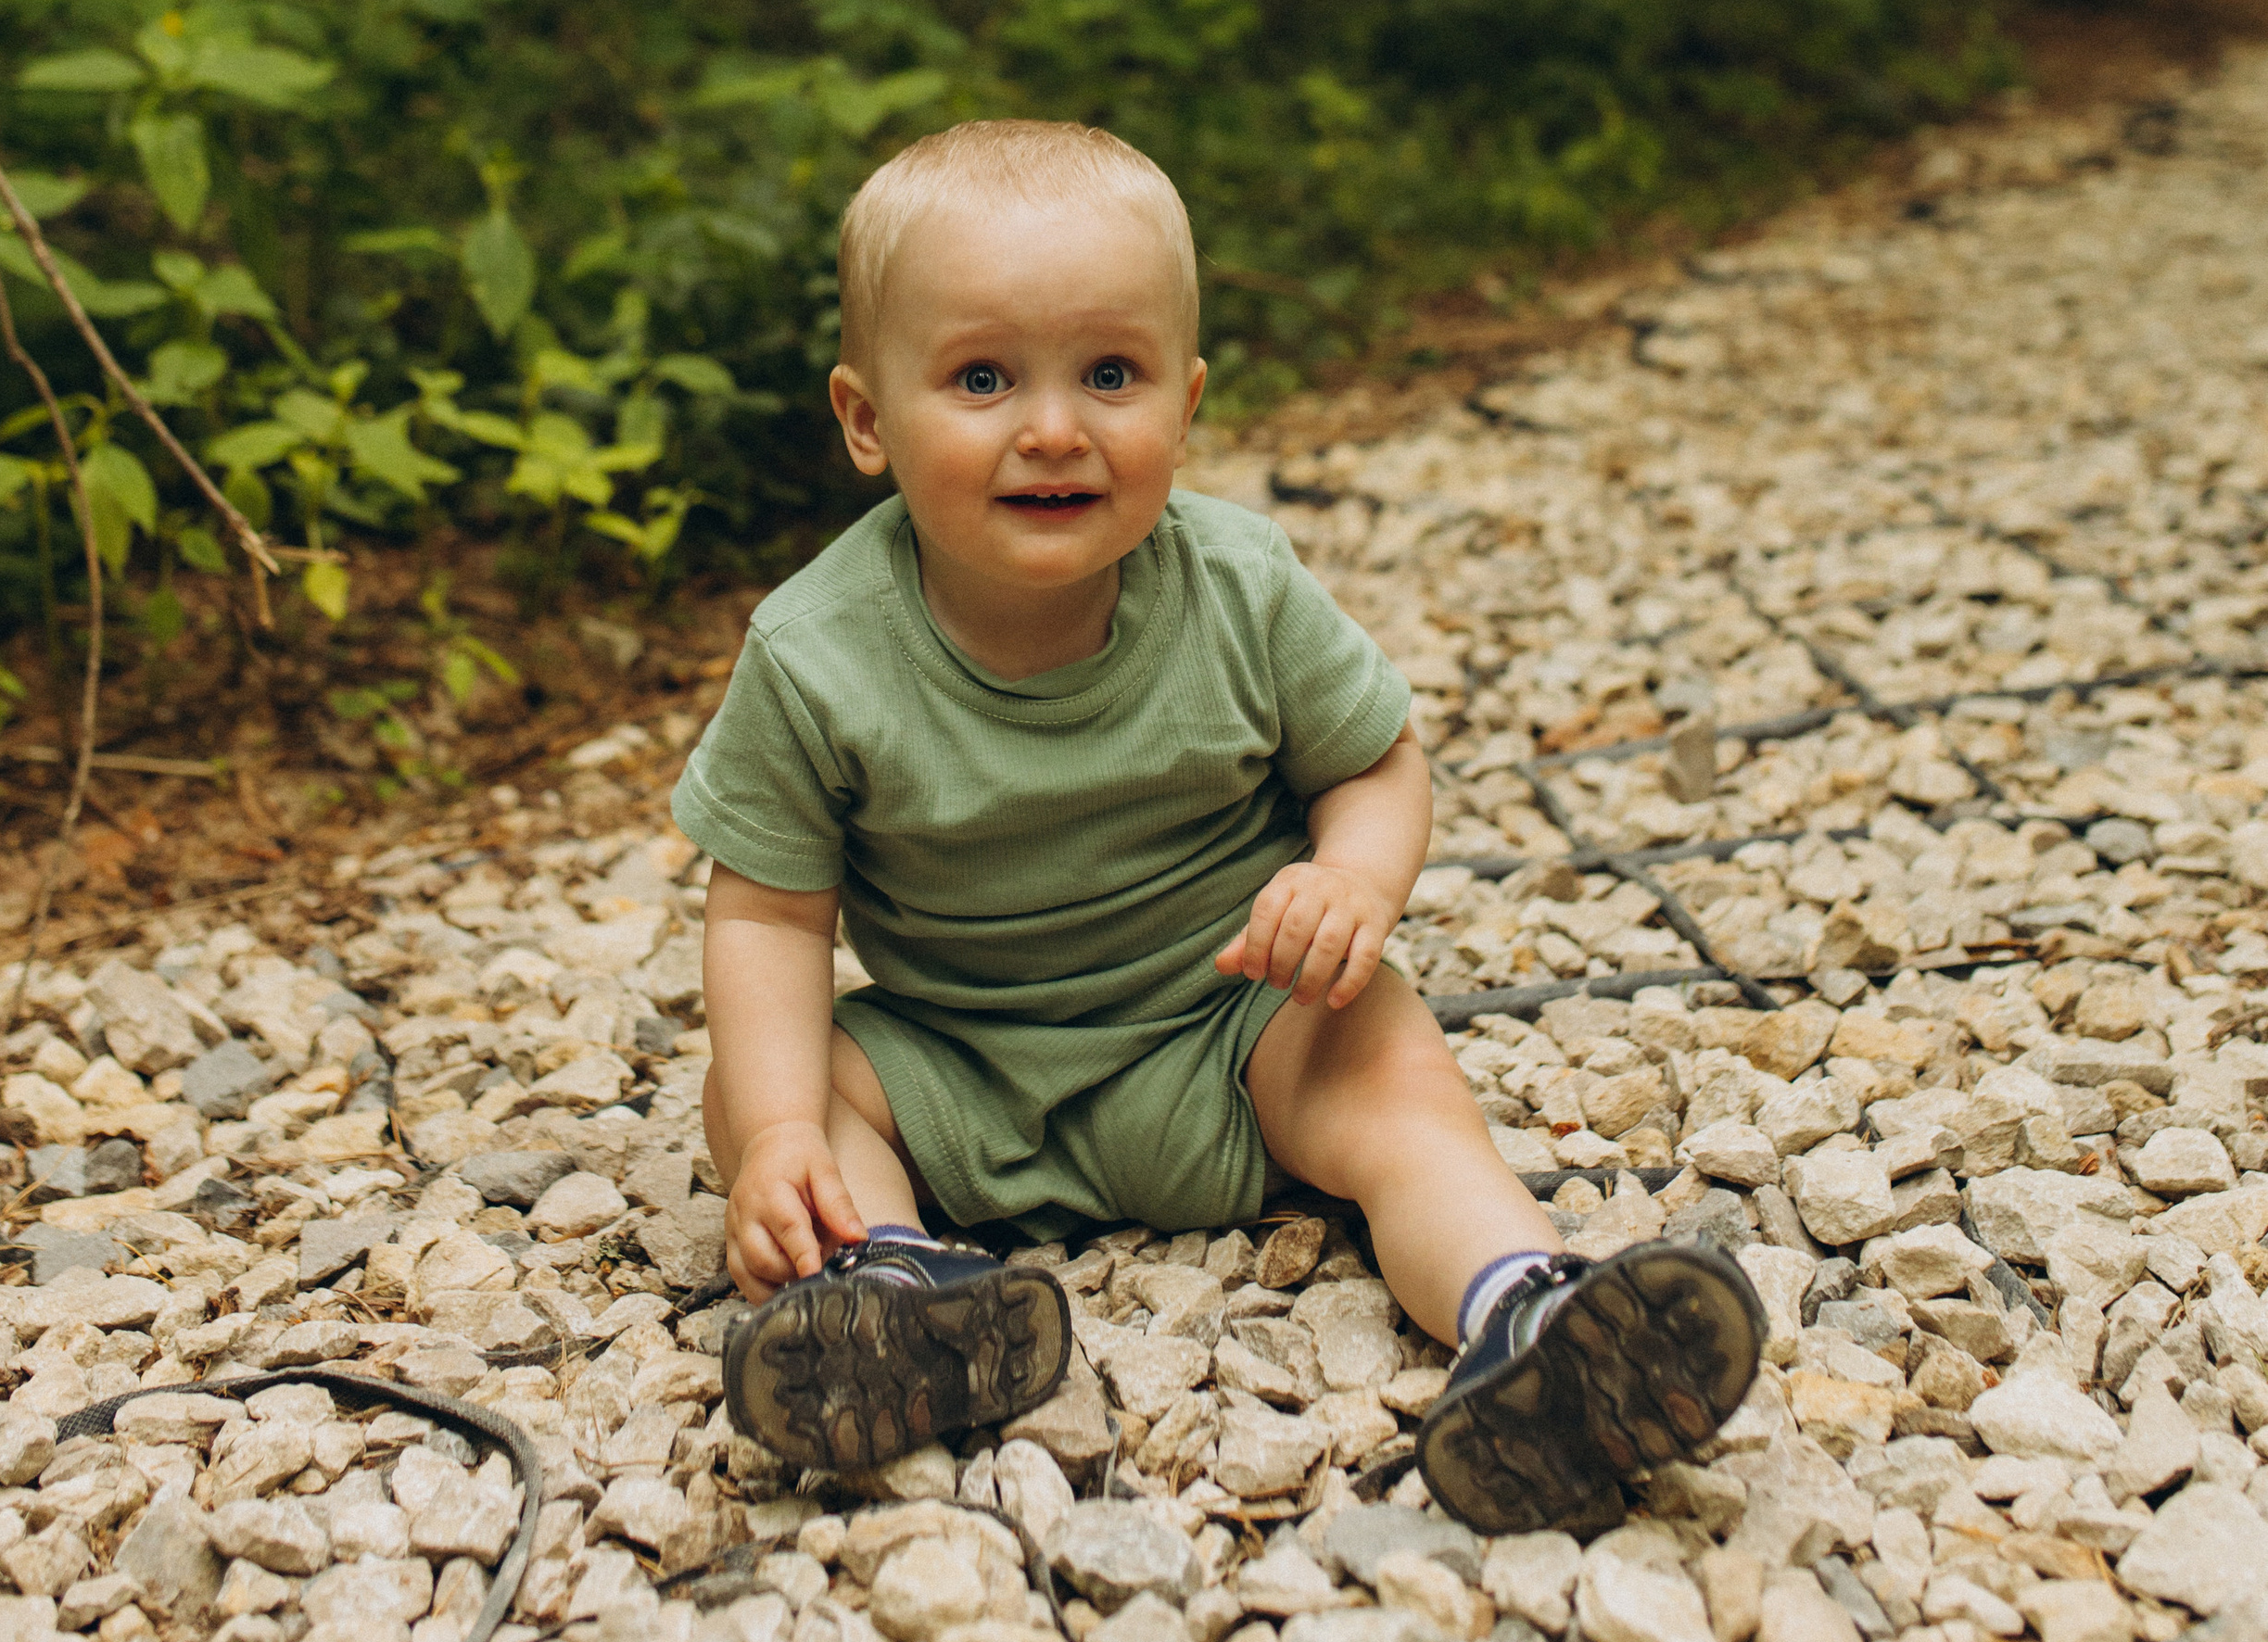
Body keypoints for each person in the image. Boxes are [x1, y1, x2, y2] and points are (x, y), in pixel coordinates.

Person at [677, 119, 1762, 1533]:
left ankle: (1527, 1312)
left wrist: (1352, 877)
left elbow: (1377, 762)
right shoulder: (817, 652)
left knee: (1391, 1066)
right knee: (778, 1083)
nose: (1055, 427)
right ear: (867, 419)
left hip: (1230, 1034)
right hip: (958, 1066)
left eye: (1111, 375)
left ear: (1185, 403)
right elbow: (766, 910)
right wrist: (772, 1137)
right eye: (983, 377)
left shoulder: (1241, 588)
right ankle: (889, 1287)